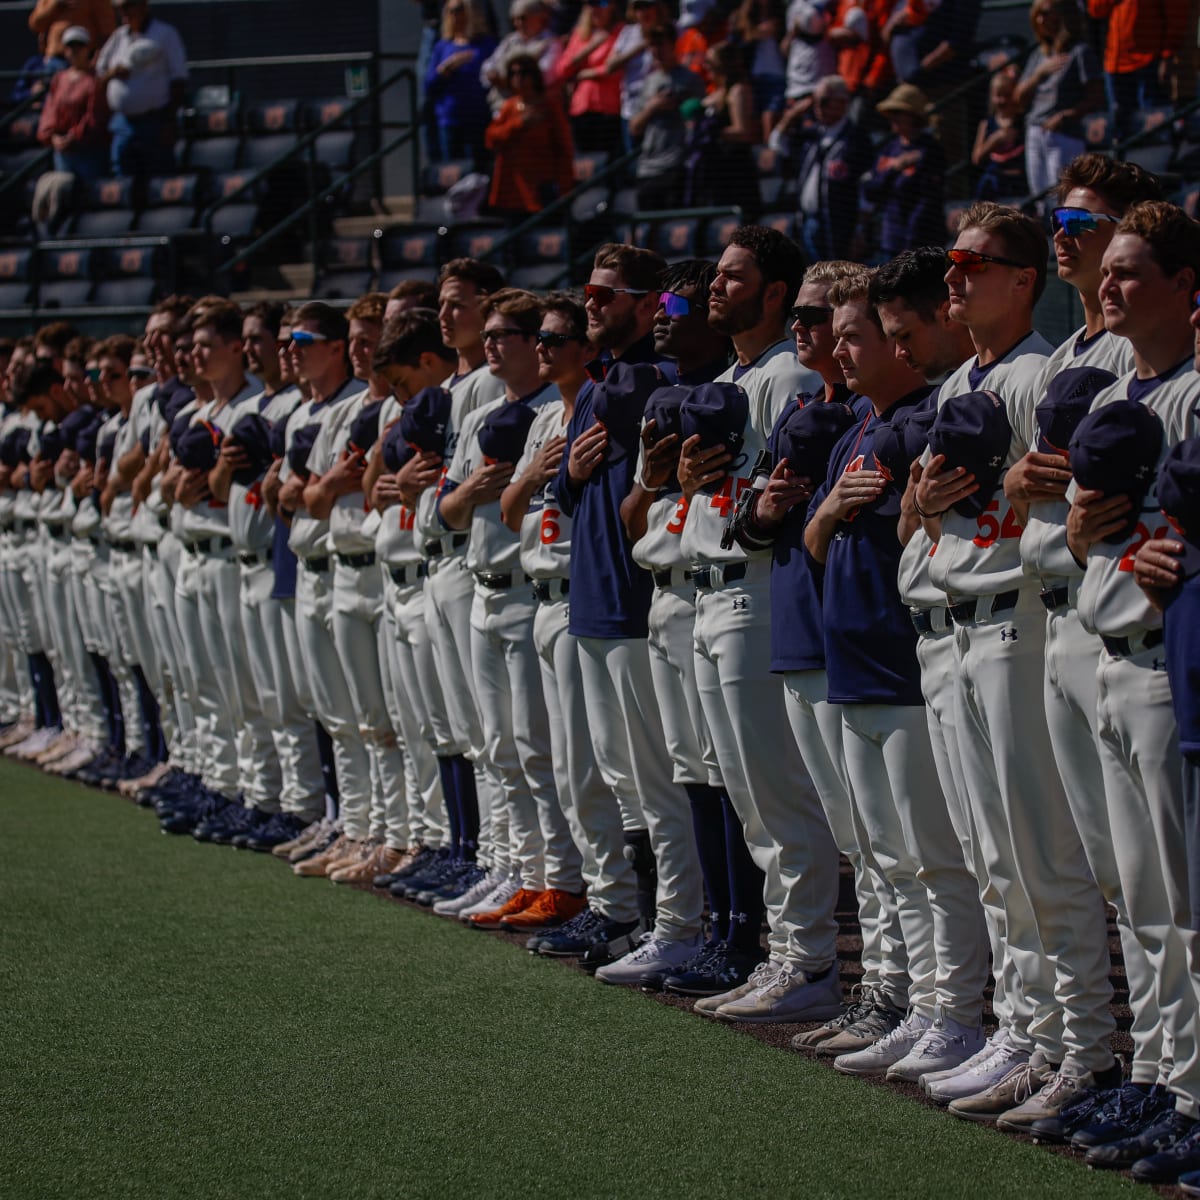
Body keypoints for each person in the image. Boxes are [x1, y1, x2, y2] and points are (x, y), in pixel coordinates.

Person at [914, 203, 1118, 1121]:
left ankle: (1083, 1049)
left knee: (1042, 857)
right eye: (952, 261)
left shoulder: (1045, 372)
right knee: (993, 855)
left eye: (974, 261)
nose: (953, 276)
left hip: (1018, 621)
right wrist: (921, 502)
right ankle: (1025, 1029)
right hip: (957, 617)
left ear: (1023, 278)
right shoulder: (962, 372)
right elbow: (933, 516)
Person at [804, 270, 988, 1084]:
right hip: (852, 663)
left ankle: (952, 1014)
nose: (841, 349)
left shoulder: (923, 418)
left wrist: (845, 511)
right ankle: (907, 1000)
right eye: (841, 335)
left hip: (905, 660)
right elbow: (811, 540)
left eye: (857, 335)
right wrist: (832, 508)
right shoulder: (855, 428)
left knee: (933, 858)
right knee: (880, 853)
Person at [1065, 201, 1200, 1184]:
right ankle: (1159, 1075)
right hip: (1101, 647)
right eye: (1106, 272)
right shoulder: (1122, 387)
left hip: (1161, 663)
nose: (1109, 287)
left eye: (1130, 271)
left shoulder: (1194, 391)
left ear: (1185, 284)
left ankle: (1191, 1092)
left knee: (1180, 897)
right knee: (1138, 894)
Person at [676, 225, 841, 1025]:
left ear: (776, 293)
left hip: (757, 585)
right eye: (715, 274)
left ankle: (807, 959)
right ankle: (786, 952)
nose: (716, 287)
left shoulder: (788, 373)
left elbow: (788, 489)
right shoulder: (735, 373)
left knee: (776, 794)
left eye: (734, 277)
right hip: (712, 586)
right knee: (747, 793)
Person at [775, 75, 872, 262]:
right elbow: (779, 144)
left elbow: (867, 187)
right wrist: (790, 116)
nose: (818, 106)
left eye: (824, 101)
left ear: (843, 103)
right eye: (815, 100)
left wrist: (860, 229)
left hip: (840, 224)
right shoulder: (813, 135)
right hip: (807, 220)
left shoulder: (856, 139)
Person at [1013, 0, 1103, 201]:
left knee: (1062, 198)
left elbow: (1096, 96)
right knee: (1038, 199)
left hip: (1064, 134)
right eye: (1037, 15)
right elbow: (1018, 97)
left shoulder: (1080, 52)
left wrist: (1065, 115)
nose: (1040, 20)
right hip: (1035, 130)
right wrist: (1039, 74)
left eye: (1046, 13)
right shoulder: (1039, 54)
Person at [94, 0, 187, 179]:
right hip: (122, 123)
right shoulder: (118, 37)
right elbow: (100, 76)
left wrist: (169, 120)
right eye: (120, 8)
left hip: (155, 121)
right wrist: (113, 73)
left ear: (143, 5)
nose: (124, 12)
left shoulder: (165, 34)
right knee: (123, 181)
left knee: (158, 178)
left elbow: (179, 79)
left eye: (129, 6)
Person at [860, 82, 945, 258]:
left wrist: (912, 242)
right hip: (890, 239)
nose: (892, 118)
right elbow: (872, 190)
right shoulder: (889, 148)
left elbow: (929, 199)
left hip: (921, 242)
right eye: (890, 113)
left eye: (898, 112)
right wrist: (895, 168)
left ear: (913, 116)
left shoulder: (929, 149)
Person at [484, 54, 575, 217]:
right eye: (513, 74)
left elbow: (564, 147)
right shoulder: (509, 107)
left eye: (523, 73)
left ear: (534, 76)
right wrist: (519, 123)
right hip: (512, 186)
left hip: (541, 184)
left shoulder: (549, 107)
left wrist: (565, 186)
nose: (518, 78)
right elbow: (491, 138)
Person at [630, 24, 705, 211]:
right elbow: (635, 127)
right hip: (648, 166)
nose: (656, 50)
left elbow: (699, 120)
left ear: (673, 45)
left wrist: (680, 105)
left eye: (660, 44)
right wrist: (652, 107)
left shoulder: (690, 80)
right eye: (652, 45)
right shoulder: (648, 82)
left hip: (676, 164)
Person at [684, 41, 759, 214]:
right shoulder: (713, 94)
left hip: (733, 169)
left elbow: (743, 132)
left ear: (724, 64)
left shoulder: (738, 90)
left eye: (710, 61)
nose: (705, 65)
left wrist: (713, 132)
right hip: (712, 169)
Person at [424, 0, 498, 164]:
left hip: (478, 119)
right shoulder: (442, 46)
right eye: (449, 11)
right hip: (449, 120)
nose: (454, 15)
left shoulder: (486, 45)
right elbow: (429, 86)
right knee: (453, 177)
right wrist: (446, 69)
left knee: (478, 176)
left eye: (459, 10)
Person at [36, 25, 109, 182]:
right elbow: (50, 110)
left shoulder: (95, 80)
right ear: (64, 50)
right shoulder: (59, 79)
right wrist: (53, 136)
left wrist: (74, 136)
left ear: (87, 49)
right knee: (64, 198)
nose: (75, 50)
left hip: (88, 152)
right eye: (70, 46)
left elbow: (95, 115)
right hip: (63, 152)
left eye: (79, 45)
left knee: (87, 199)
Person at [554, 0, 625, 153]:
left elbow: (615, 70)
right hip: (580, 108)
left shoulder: (621, 31)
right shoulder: (580, 34)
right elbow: (561, 70)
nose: (596, 9)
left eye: (603, 3)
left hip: (609, 109)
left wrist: (584, 73)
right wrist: (589, 48)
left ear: (613, 6)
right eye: (591, 3)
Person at [479, 0, 562, 114]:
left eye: (523, 18)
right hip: (501, 109)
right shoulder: (510, 41)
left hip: (532, 113)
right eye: (514, 19)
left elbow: (544, 75)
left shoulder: (551, 43)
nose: (518, 23)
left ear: (539, 17)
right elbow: (488, 65)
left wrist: (506, 81)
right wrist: (491, 74)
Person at [972, 69, 1027, 202]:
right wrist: (993, 141)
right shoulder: (987, 124)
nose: (1002, 100)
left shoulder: (1023, 123)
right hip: (994, 182)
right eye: (998, 95)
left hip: (1017, 183)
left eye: (1007, 95)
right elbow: (976, 158)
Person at [28, 0, 114, 63]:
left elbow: (107, 30)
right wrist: (55, 5)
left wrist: (99, 56)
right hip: (55, 58)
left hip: (84, 60)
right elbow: (35, 24)